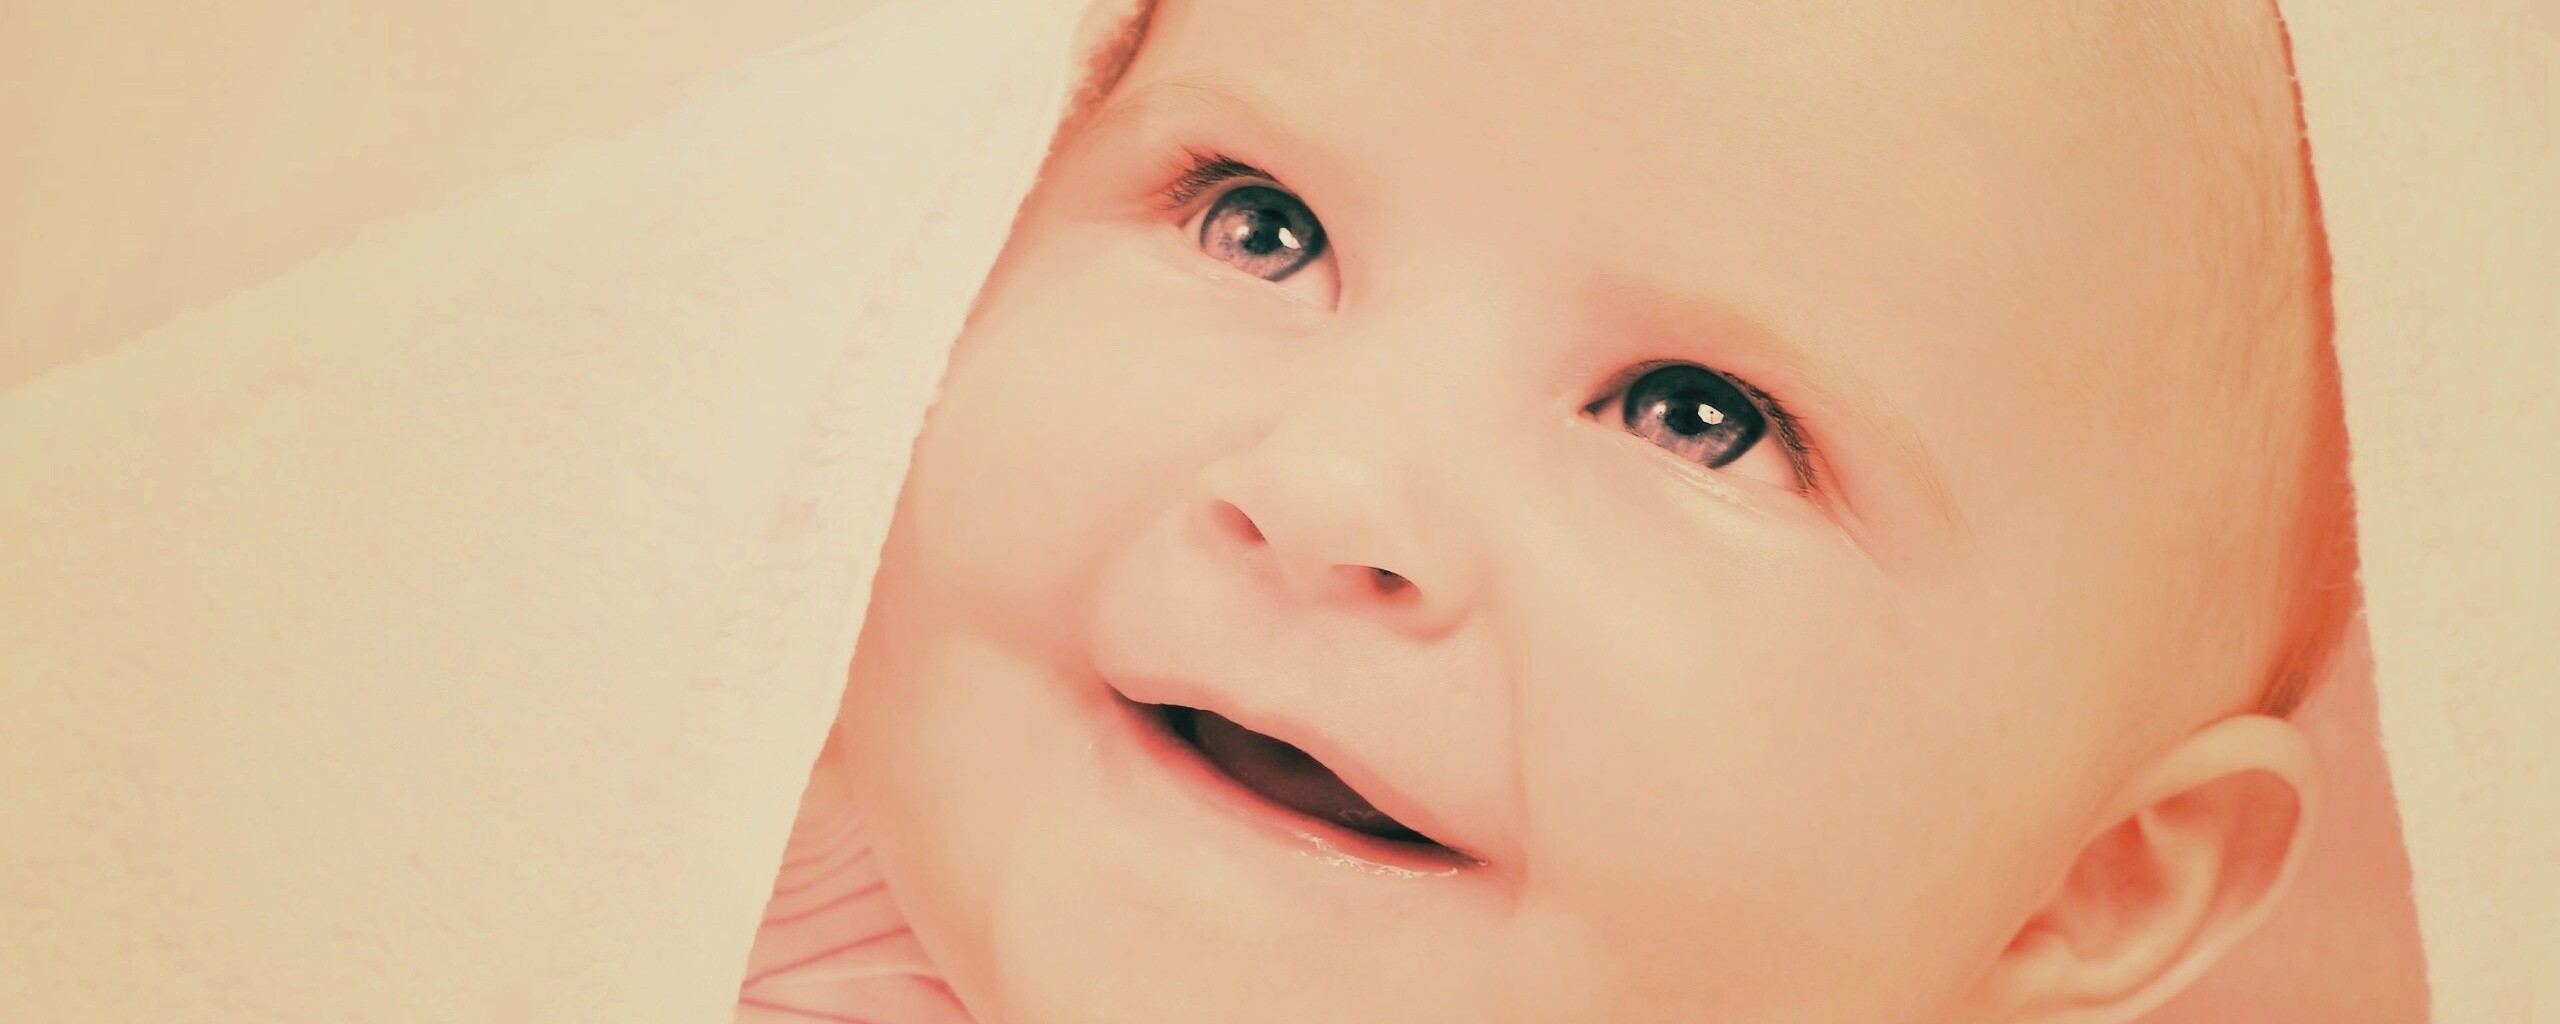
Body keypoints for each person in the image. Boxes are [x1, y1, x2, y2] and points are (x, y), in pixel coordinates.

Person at [748, 1, 2364, 1020]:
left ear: (2085, 884)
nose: (1326, 492)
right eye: (1260, 225)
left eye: (1697, 419)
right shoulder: (638, 855)